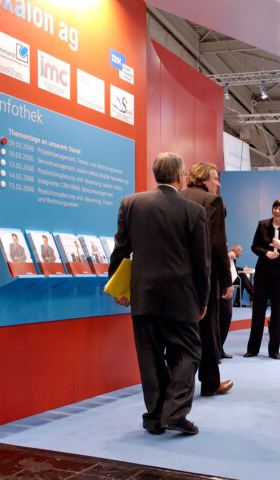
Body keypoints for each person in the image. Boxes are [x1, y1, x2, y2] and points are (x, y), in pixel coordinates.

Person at [108, 152, 210, 435]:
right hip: (182, 297)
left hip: (143, 295)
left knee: (150, 357)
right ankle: (175, 412)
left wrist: (119, 288)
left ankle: (154, 418)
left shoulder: (130, 204)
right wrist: (203, 299)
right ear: (180, 176)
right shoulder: (194, 211)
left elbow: (120, 250)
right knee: (188, 352)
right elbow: (202, 263)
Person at [180, 162, 234, 397]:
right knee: (209, 328)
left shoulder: (179, 197)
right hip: (204, 277)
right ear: (203, 179)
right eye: (214, 178)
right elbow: (216, 244)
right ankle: (211, 383)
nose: (218, 183)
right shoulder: (212, 202)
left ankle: (179, 382)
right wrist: (227, 280)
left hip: (179, 276)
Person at [245, 198, 280, 359]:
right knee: (258, 311)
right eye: (275, 207)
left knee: (278, 313)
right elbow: (254, 246)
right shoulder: (262, 224)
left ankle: (274, 350)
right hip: (262, 274)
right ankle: (253, 349)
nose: (277, 211)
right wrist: (266, 253)